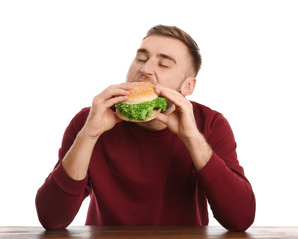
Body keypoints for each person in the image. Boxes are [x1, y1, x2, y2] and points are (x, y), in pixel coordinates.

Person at [36, 25, 256, 232]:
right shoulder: (90, 120)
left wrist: (191, 138)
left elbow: (240, 219)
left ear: (188, 86)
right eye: (141, 58)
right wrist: (89, 135)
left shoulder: (210, 124)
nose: (145, 69)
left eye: (164, 64)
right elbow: (52, 219)